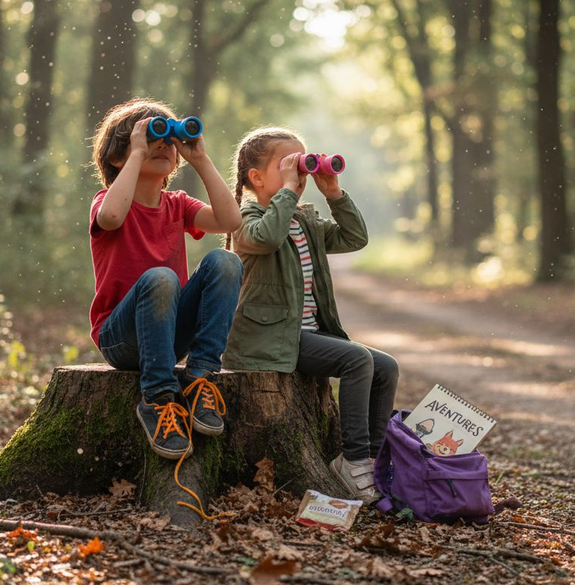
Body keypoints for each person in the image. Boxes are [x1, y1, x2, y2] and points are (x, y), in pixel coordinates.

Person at [222, 127, 399, 503]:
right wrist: (288, 190)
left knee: (386, 366)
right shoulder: (245, 217)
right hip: (269, 338)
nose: (299, 174)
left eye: (301, 165)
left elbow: (354, 238)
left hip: (306, 333)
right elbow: (268, 237)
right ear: (256, 177)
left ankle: (374, 458)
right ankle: (352, 461)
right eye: (288, 165)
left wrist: (333, 193)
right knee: (357, 360)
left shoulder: (303, 220)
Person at [89, 98, 242, 461]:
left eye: (167, 140)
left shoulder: (177, 204)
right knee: (161, 278)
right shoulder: (107, 201)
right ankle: (157, 398)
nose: (160, 145)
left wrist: (200, 159)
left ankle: (200, 376)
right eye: (148, 138)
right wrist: (137, 153)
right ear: (117, 157)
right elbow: (111, 218)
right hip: (121, 339)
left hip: (170, 338)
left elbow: (230, 221)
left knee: (226, 261)